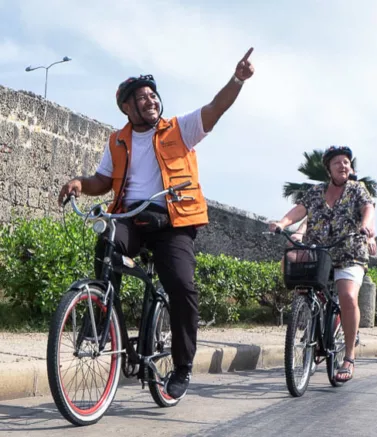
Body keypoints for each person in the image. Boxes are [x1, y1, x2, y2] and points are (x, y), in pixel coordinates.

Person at [56, 49, 255, 399]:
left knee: (180, 285)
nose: (150, 100)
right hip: (131, 217)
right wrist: (80, 184)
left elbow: (215, 108)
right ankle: (103, 321)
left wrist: (237, 79)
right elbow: (102, 180)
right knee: (106, 241)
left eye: (152, 95)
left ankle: (182, 366)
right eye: (141, 98)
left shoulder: (180, 129)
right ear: (127, 109)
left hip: (173, 221)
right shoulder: (117, 140)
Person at [269, 146, 376, 383]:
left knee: (347, 296)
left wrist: (367, 226)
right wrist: (283, 223)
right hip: (319, 251)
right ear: (328, 168)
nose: (343, 166)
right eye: (337, 162)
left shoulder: (357, 189)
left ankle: (348, 356)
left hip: (349, 251)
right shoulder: (316, 192)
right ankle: (309, 316)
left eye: (346, 162)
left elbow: (368, 208)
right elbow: (299, 210)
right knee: (292, 261)